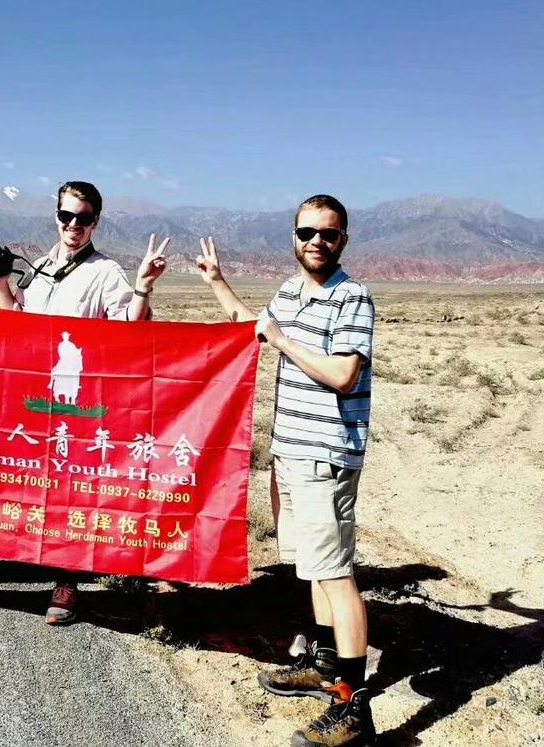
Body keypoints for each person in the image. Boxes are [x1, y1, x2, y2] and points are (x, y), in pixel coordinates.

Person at [0, 180, 170, 625]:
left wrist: (144, 288)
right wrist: (0, 281)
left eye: (84, 218)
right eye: (66, 216)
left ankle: (67, 580)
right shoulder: (36, 269)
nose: (74, 225)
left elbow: (131, 329)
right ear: (55, 216)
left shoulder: (105, 272)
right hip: (27, 398)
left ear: (95, 221)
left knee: (70, 490)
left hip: (75, 402)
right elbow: (15, 325)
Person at [197, 194, 377, 746]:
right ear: (293, 236)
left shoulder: (353, 298)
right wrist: (218, 283)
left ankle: (354, 709)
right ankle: (324, 665)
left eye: (328, 233)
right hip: (291, 452)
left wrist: (282, 339)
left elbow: (345, 375)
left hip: (326, 453)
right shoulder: (288, 292)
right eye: (307, 232)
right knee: (314, 568)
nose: (316, 241)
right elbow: (255, 328)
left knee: (337, 573)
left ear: (343, 239)